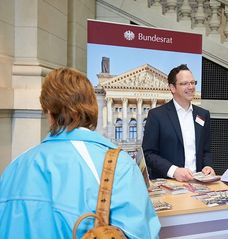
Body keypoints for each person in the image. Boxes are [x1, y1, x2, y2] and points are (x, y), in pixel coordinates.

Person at [0, 68, 160, 239]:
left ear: (47, 111)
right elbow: (143, 234)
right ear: (92, 108)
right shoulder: (118, 163)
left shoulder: (14, 167)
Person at [142, 64, 215, 182]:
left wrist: (208, 166)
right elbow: (148, 154)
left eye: (192, 82)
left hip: (199, 183)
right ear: (172, 88)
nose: (191, 87)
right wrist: (174, 171)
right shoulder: (157, 115)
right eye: (185, 83)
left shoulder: (203, 114)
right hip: (169, 184)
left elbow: (206, 150)